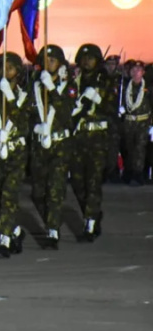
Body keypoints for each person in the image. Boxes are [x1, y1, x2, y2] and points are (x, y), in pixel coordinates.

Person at [31, 45, 78, 249]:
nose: (48, 64)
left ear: (60, 63)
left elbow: (67, 112)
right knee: (38, 191)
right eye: (45, 61)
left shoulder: (69, 86)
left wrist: (52, 89)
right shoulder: (36, 85)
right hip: (41, 144)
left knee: (55, 189)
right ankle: (50, 220)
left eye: (52, 60)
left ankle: (53, 230)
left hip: (60, 144)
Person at [0, 52, 33, 257]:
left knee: (8, 194)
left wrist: (10, 97)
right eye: (2, 68)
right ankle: (14, 230)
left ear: (18, 71)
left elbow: (23, 123)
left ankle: (4, 240)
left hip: (16, 151)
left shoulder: (25, 96)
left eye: (10, 68)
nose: (5, 72)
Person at [70, 44, 117, 241]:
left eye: (91, 58)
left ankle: (89, 225)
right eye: (84, 57)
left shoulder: (106, 81)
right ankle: (93, 215)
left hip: (98, 138)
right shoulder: (74, 81)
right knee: (78, 183)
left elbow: (113, 109)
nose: (87, 61)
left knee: (93, 183)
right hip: (79, 137)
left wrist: (98, 99)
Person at [121, 60, 152, 186]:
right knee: (128, 148)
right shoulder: (124, 87)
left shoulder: (148, 90)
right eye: (133, 70)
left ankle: (138, 174)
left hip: (143, 122)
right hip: (128, 122)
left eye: (138, 70)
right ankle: (128, 172)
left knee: (140, 149)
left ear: (143, 72)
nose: (135, 72)